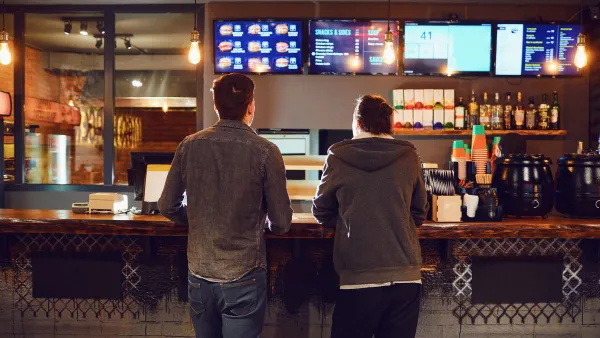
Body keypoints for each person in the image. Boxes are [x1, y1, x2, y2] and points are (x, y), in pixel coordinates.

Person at [158, 73, 293, 338]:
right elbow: (281, 223)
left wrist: (197, 217)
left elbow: (166, 206)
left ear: (216, 106)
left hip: (200, 273)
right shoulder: (266, 151)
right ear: (251, 105)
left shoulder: (190, 145)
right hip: (245, 274)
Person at [312, 94, 429, 338]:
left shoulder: (338, 156)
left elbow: (321, 211)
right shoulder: (409, 155)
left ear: (357, 123)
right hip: (405, 277)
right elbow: (419, 213)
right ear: (390, 124)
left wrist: (349, 221)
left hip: (358, 275)